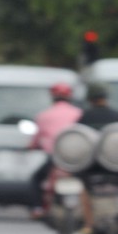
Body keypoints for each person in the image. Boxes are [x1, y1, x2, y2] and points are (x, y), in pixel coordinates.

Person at [74, 83, 118, 234]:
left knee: (86, 190)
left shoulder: (85, 117)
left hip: (93, 165)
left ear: (90, 99)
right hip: (116, 163)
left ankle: (89, 225)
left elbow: (76, 139)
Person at [29, 81, 82, 216]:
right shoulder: (79, 114)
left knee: (36, 179)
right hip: (76, 157)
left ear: (52, 97)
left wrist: (31, 147)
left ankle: (37, 208)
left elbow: (35, 140)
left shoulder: (43, 115)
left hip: (54, 157)